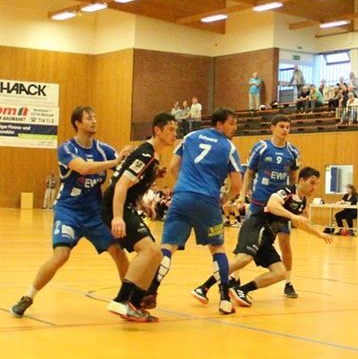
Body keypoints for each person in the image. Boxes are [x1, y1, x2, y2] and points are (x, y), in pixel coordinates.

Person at [11, 107, 130, 318]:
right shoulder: (66, 149)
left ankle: (128, 300)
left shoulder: (104, 149)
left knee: (118, 252)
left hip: (95, 213)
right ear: (77, 123)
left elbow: (126, 170)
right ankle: (27, 297)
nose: (94, 120)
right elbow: (83, 168)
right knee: (61, 255)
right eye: (89, 117)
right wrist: (115, 162)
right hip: (69, 211)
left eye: (95, 116)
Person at [144, 108, 242, 316]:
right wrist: (224, 199)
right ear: (219, 124)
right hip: (208, 201)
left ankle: (151, 291)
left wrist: (185, 186)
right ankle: (224, 299)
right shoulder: (228, 147)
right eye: (231, 123)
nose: (235, 128)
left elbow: (172, 167)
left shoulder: (189, 137)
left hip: (181, 197)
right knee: (217, 248)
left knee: (168, 247)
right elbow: (237, 184)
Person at [192, 167, 332, 307]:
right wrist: (292, 216)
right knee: (244, 259)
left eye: (317, 184)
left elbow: (300, 223)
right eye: (312, 183)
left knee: (280, 272)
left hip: (267, 238)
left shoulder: (302, 202)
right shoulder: (287, 191)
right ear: (301, 180)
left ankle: (242, 290)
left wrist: (318, 234)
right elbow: (272, 205)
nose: (314, 187)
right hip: (256, 226)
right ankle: (203, 287)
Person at [102, 112, 178, 321]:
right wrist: (117, 217)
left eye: (175, 130)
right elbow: (121, 185)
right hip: (114, 207)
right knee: (149, 250)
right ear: (157, 130)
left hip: (127, 206)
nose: (175, 134)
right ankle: (120, 301)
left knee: (155, 254)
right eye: (170, 129)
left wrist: (144, 205)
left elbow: (134, 187)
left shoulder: (153, 157)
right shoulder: (145, 153)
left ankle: (135, 303)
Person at [243, 115, 302, 297]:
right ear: (273, 128)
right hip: (259, 202)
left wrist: (298, 202)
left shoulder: (293, 151)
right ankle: (235, 277)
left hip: (281, 206)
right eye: (282, 126)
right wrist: (242, 194)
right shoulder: (261, 148)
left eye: (288, 127)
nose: (285, 130)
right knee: (249, 241)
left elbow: (294, 179)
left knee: (285, 242)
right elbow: (250, 172)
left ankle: (288, 282)